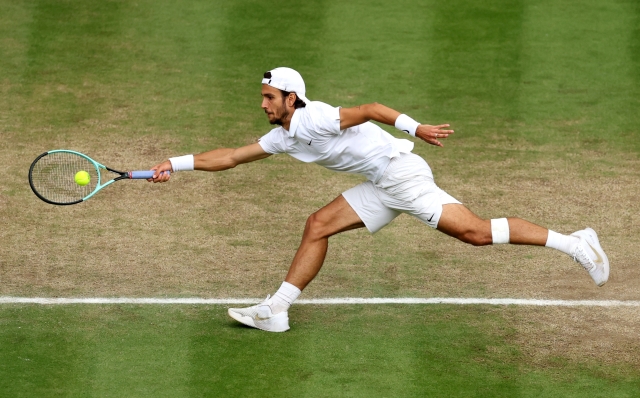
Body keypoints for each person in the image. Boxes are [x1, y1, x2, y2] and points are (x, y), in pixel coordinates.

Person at [149, 67, 609, 332]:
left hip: (400, 175)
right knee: (318, 225)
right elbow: (230, 156)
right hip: (380, 182)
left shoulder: (318, 118)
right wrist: (175, 162)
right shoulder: (284, 137)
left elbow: (370, 110)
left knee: (476, 233)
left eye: (270, 97)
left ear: (292, 97)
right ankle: (276, 310)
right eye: (263, 98)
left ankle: (575, 243)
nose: (264, 104)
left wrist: (417, 127)